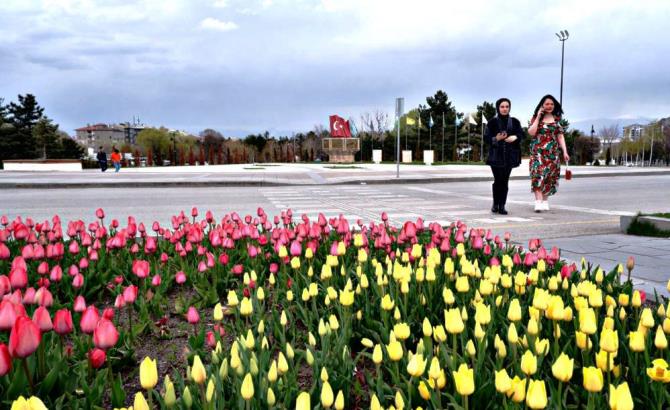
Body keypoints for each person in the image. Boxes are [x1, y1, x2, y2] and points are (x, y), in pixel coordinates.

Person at [527, 94, 570, 212]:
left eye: (551, 104)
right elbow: (531, 132)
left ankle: (545, 200)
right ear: (542, 105)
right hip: (537, 153)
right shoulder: (536, 117)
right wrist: (538, 117)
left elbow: (560, 137)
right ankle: (538, 202)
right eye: (547, 104)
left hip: (552, 154)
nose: (549, 106)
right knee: (537, 175)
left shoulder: (557, 119)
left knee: (549, 177)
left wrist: (565, 152)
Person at [483, 98, 525, 215]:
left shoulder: (515, 121)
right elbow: (486, 138)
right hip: (496, 157)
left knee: (505, 181)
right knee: (498, 181)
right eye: (502, 106)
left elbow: (521, 134)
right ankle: (495, 204)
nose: (505, 109)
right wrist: (496, 138)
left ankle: (502, 205)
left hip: (510, 157)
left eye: (507, 106)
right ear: (498, 108)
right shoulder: (492, 122)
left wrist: (515, 137)